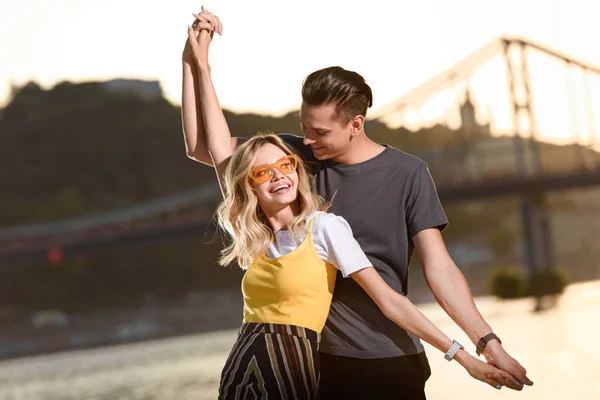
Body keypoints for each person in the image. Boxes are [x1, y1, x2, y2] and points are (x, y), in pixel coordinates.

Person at [181, 7, 533, 399]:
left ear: (356, 124)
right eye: (303, 128)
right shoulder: (296, 165)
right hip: (321, 362)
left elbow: (440, 268)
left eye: (320, 132)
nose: (309, 140)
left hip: (391, 357)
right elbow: (207, 148)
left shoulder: (407, 173)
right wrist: (196, 63)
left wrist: (488, 344)